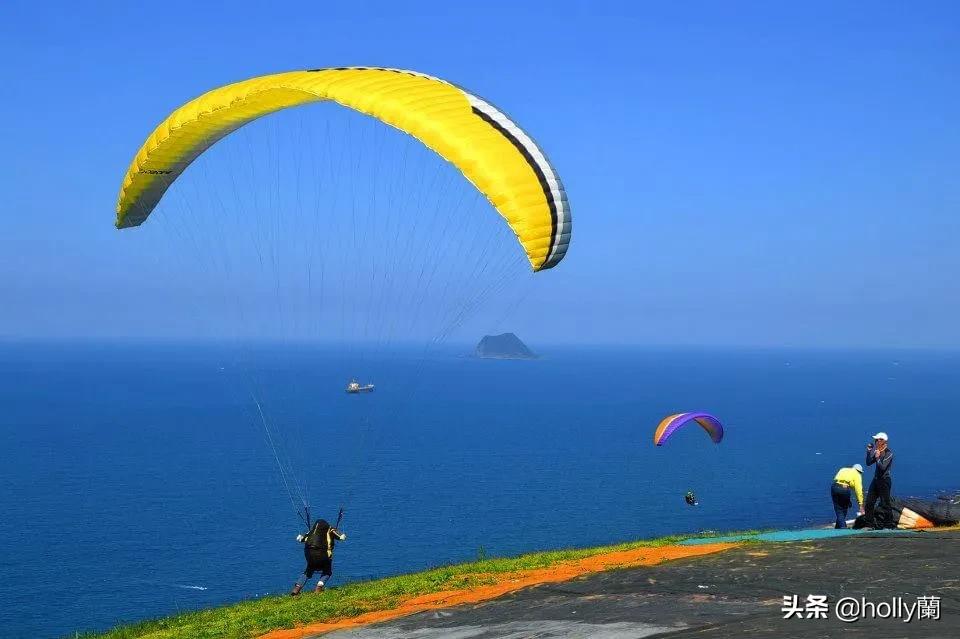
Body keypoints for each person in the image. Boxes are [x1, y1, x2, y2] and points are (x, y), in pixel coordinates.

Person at [290, 518, 347, 595]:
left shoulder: (311, 531)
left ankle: (296, 589)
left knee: (308, 571)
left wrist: (300, 537)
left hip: (309, 554)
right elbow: (341, 537)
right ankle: (318, 588)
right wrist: (343, 536)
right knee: (327, 571)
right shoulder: (330, 529)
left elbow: (302, 539)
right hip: (322, 554)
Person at [864, 432, 895, 529]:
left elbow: (882, 467)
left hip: (884, 480)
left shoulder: (889, 453)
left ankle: (888, 525)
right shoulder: (877, 451)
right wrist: (869, 452)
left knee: (885, 503)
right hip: (876, 480)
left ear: (883, 441)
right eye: (875, 440)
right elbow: (868, 463)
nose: (876, 441)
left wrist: (877, 458)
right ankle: (869, 525)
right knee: (869, 502)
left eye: (877, 440)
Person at [831, 463, 864, 528]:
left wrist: (848, 500)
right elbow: (858, 490)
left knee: (838, 509)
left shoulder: (843, 469)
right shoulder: (857, 474)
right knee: (842, 511)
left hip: (834, 487)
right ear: (859, 471)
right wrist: (861, 504)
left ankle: (838, 528)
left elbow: (838, 480)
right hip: (845, 489)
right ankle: (843, 528)